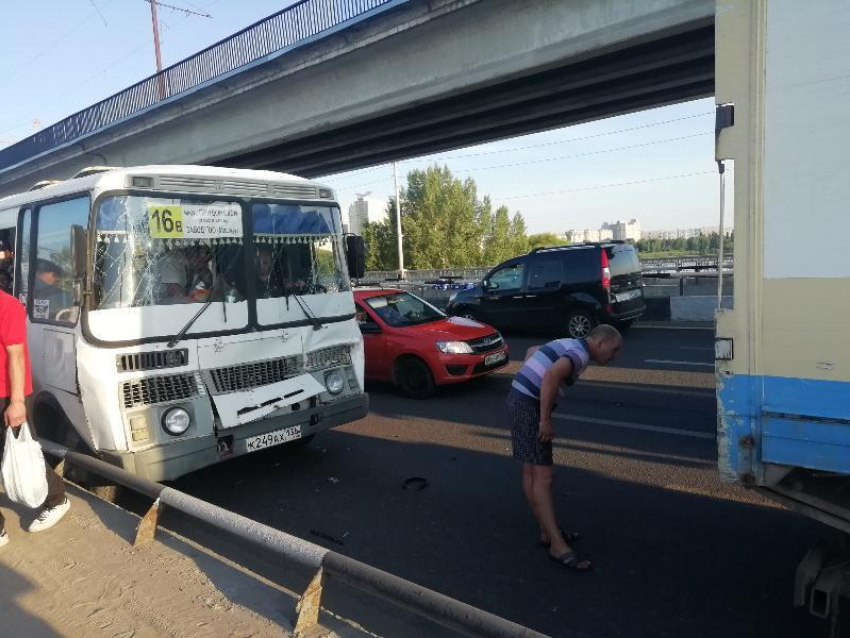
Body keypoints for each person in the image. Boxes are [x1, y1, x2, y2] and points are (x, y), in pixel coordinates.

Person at [507, 324, 622, 572]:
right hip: (528, 407)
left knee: (532, 471)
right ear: (600, 343)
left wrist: (529, 379)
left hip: (519, 399)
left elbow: (533, 350)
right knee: (544, 476)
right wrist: (544, 419)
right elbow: (550, 375)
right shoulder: (579, 355)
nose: (615, 356)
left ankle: (547, 532)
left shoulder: (571, 343)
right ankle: (557, 546)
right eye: (614, 350)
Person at [0, 289, 69, 549]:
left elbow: (16, 355)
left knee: (20, 453)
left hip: (8, 394)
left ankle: (57, 498)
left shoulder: (7, 306)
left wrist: (17, 402)